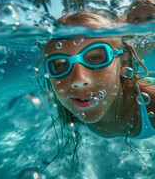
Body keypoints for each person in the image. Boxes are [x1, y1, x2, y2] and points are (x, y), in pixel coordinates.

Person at [36, 12, 155, 168]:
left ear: (124, 63)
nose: (79, 80)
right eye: (61, 64)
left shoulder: (151, 102)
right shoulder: (73, 111)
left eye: (95, 58)